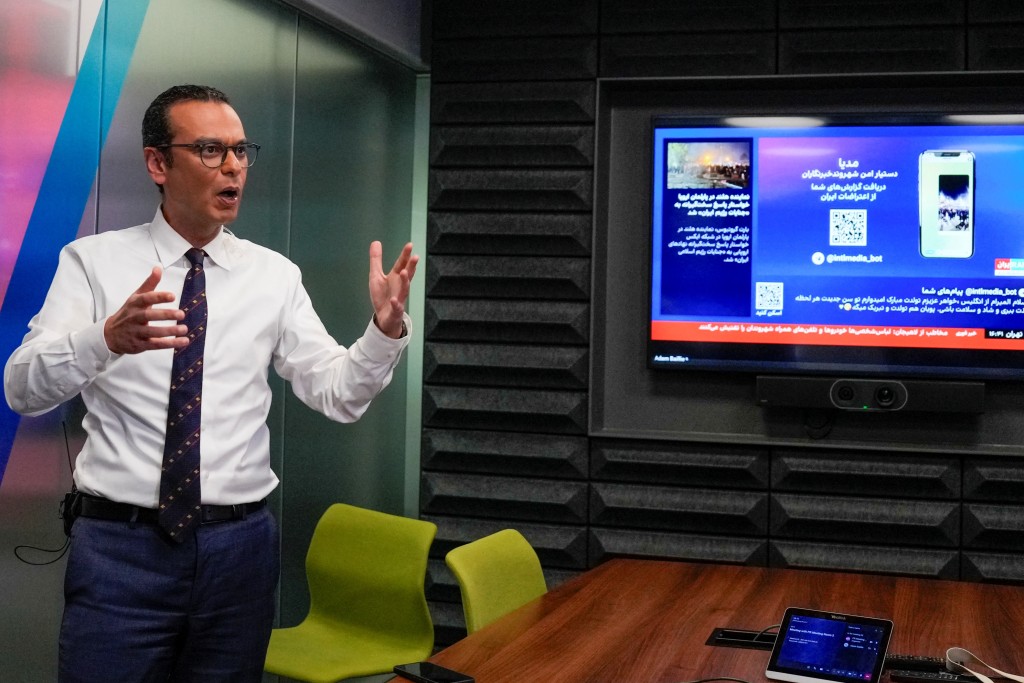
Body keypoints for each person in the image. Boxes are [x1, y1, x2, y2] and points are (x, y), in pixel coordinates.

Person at [3, 84, 417, 682]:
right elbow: (22, 387)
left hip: (239, 552)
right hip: (122, 550)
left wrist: (382, 332)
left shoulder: (273, 276)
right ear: (157, 163)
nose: (232, 167)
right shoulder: (92, 262)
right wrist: (105, 339)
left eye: (241, 151)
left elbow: (338, 394)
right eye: (208, 150)